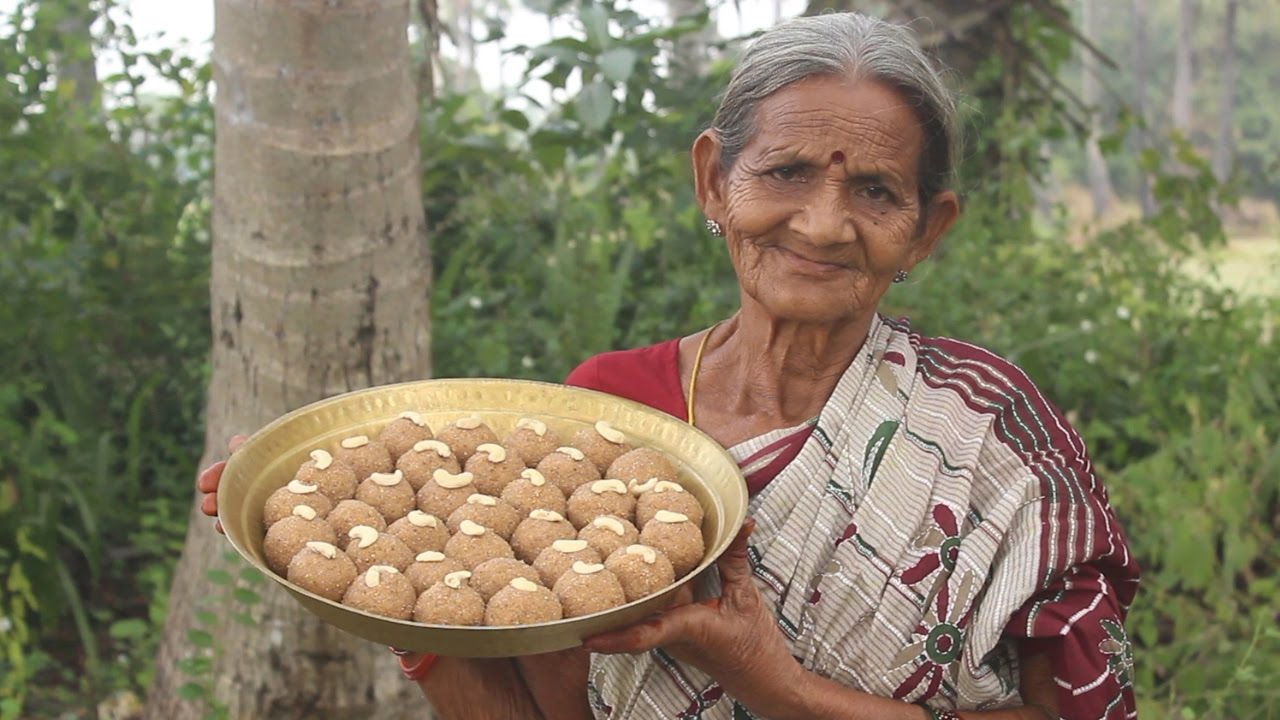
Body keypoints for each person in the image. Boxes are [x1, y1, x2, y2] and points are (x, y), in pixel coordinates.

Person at [198, 12, 1139, 720]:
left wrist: (774, 685)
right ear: (713, 182)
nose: (821, 222)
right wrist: (391, 571)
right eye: (785, 173)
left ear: (925, 230)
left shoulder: (988, 432)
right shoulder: (607, 415)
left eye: (876, 190)